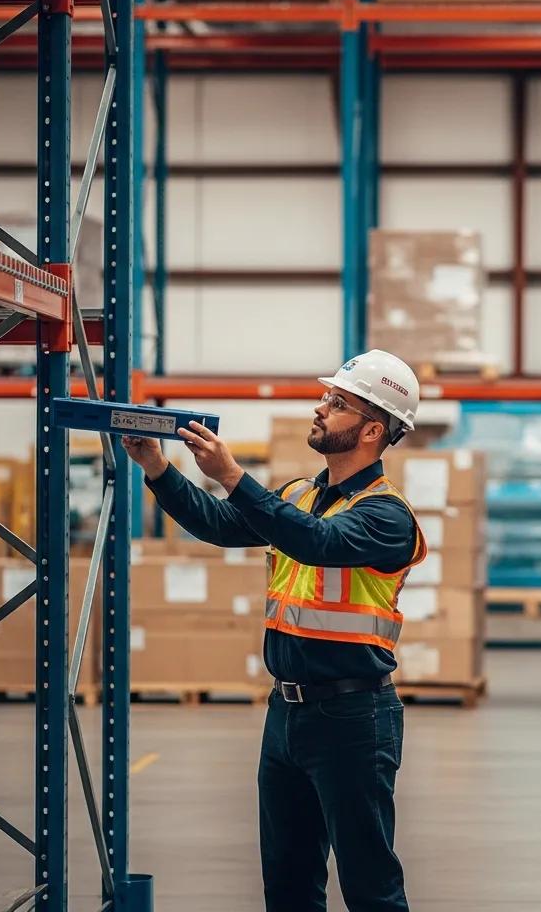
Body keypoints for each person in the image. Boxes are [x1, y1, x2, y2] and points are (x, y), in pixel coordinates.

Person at [121, 350, 426, 912]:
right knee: (287, 883)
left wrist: (233, 476)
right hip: (286, 715)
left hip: (354, 719)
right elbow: (219, 524)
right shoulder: (298, 495)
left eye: (337, 404)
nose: (321, 408)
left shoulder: (388, 517)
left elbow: (320, 543)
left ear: (372, 429)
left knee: (370, 886)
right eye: (327, 397)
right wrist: (159, 471)